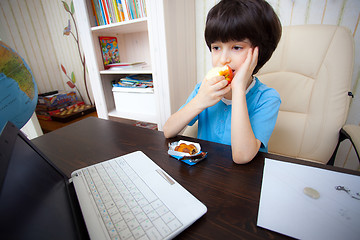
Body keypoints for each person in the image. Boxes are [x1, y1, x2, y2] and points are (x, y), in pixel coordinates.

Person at [163, 0, 282, 164]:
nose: (223, 59)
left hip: (244, 180)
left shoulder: (268, 98)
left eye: (237, 47)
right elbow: (168, 131)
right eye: (216, 48)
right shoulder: (205, 88)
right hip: (206, 173)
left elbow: (242, 156)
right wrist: (200, 101)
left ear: (258, 53)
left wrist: (238, 88)